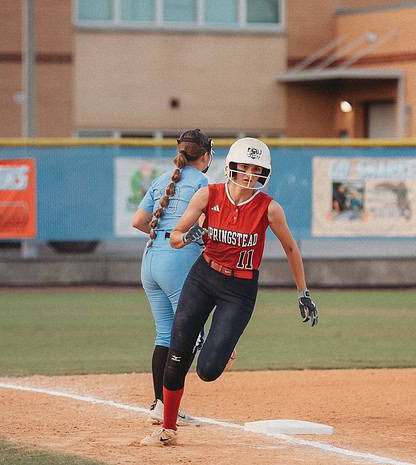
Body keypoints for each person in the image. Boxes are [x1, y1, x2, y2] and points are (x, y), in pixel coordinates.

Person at [139, 137, 318, 446]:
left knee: (207, 370)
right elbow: (176, 238)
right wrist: (198, 231)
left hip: (240, 289)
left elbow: (290, 248)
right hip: (203, 276)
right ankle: (167, 427)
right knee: (178, 352)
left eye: (257, 170)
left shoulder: (269, 208)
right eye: (245, 167)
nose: (249, 175)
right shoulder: (208, 194)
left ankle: (223, 346)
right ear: (232, 166)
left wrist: (303, 292)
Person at [131, 129, 213, 426]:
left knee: (165, 335)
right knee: (189, 334)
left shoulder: (161, 179)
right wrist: (194, 239)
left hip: (150, 258)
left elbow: (138, 221)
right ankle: (167, 408)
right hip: (177, 262)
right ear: (205, 156)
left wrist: (165, 237)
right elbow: (203, 226)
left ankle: (159, 404)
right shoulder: (202, 181)